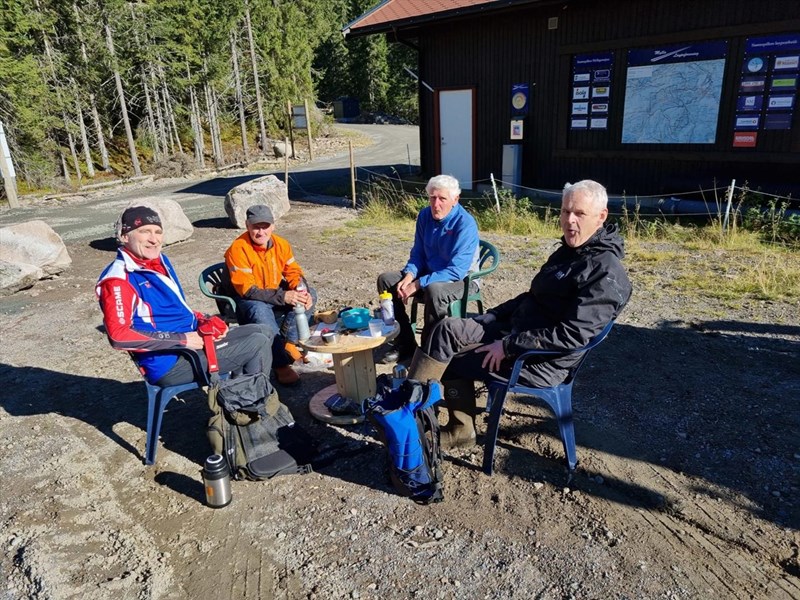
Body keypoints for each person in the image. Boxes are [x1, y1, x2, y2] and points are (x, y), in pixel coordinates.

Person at [407, 179, 633, 448]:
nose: (569, 220)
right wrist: (491, 315)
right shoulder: (568, 252)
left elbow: (573, 335)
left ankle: (455, 430)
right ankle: (410, 407)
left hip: (538, 360)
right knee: (446, 328)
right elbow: (532, 296)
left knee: (452, 356)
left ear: (601, 216)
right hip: (516, 333)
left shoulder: (606, 273)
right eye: (565, 211)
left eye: (580, 214)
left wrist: (508, 346)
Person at [96, 205, 272, 388]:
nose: (153, 239)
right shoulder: (118, 279)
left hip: (192, 342)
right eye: (144, 232)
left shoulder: (159, 261)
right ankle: (251, 406)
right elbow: (118, 336)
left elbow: (175, 309)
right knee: (257, 343)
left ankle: (238, 394)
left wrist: (204, 319)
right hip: (170, 362)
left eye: (158, 232)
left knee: (262, 330)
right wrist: (182, 339)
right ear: (125, 236)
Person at [377, 174, 479, 363]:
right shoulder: (425, 216)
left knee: (434, 290)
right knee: (387, 280)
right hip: (430, 273)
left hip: (463, 280)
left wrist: (419, 283)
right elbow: (418, 253)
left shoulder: (465, 224)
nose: (436, 204)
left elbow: (457, 270)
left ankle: (429, 352)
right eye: (432, 197)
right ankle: (405, 343)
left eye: (442, 199)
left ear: (455, 200)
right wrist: (409, 275)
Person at [224, 204, 317, 385]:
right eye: (255, 227)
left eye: (265, 226)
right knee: (260, 311)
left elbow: (293, 272)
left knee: (310, 294)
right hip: (245, 298)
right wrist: (283, 297)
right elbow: (248, 290)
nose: (260, 232)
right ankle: (281, 366)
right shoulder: (238, 248)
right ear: (247, 226)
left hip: (271, 291)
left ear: (273, 226)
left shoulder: (281, 244)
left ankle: (289, 343)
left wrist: (301, 289)